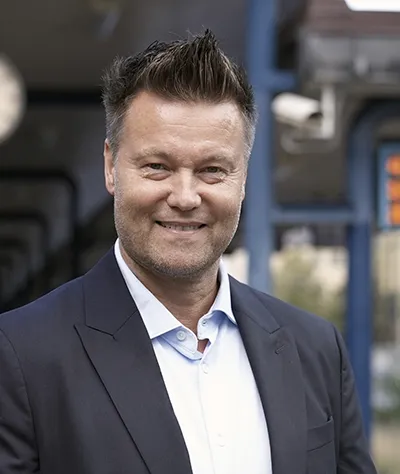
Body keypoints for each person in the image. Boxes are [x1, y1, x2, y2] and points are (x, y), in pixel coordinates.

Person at [0, 30, 377, 474]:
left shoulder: (315, 349)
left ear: (243, 178)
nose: (184, 197)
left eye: (212, 170)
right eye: (157, 167)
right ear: (111, 167)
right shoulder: (20, 355)